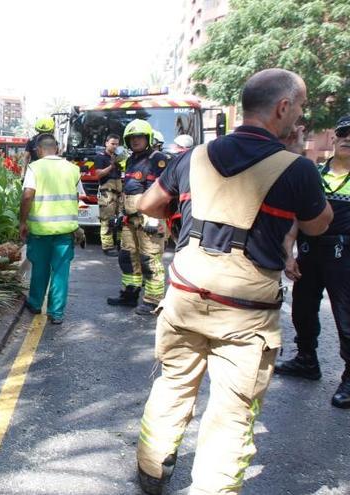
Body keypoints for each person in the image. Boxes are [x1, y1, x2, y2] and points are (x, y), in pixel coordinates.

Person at [133, 68, 332, 494]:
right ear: (283, 108)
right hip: (245, 315)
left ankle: (151, 470)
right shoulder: (297, 170)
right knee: (231, 412)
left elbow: (150, 204)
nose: (299, 116)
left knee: (172, 383)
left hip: (185, 294)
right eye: (299, 107)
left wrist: (186, 218)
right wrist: (300, 159)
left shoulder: (194, 157)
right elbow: (318, 226)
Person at [275, 114, 350, 409]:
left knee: (346, 319)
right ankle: (307, 359)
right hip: (309, 252)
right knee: (303, 310)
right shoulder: (315, 173)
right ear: (333, 139)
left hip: (344, 256)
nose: (347, 138)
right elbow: (296, 214)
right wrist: (289, 252)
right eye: (342, 132)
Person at [106, 119, 170, 315]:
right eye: (132, 138)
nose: (135, 141)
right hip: (130, 218)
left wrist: (154, 218)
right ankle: (129, 294)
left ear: (148, 138)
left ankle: (153, 300)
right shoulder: (132, 159)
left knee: (149, 259)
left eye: (139, 137)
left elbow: (162, 189)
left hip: (149, 218)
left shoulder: (158, 159)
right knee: (127, 256)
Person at [19, 134, 82, 325]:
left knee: (40, 268)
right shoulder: (73, 169)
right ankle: (56, 313)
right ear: (57, 148)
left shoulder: (34, 167)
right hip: (65, 231)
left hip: (40, 230)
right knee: (61, 271)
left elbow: (28, 196)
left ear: (38, 150)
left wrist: (22, 222)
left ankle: (36, 304)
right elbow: (77, 197)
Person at [93, 133, 123, 256]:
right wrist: (111, 165)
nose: (115, 146)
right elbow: (98, 174)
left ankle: (121, 245)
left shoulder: (118, 157)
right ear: (106, 143)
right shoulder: (101, 157)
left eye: (117, 144)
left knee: (122, 220)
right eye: (112, 143)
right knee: (107, 221)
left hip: (119, 191)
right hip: (107, 193)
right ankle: (107, 247)